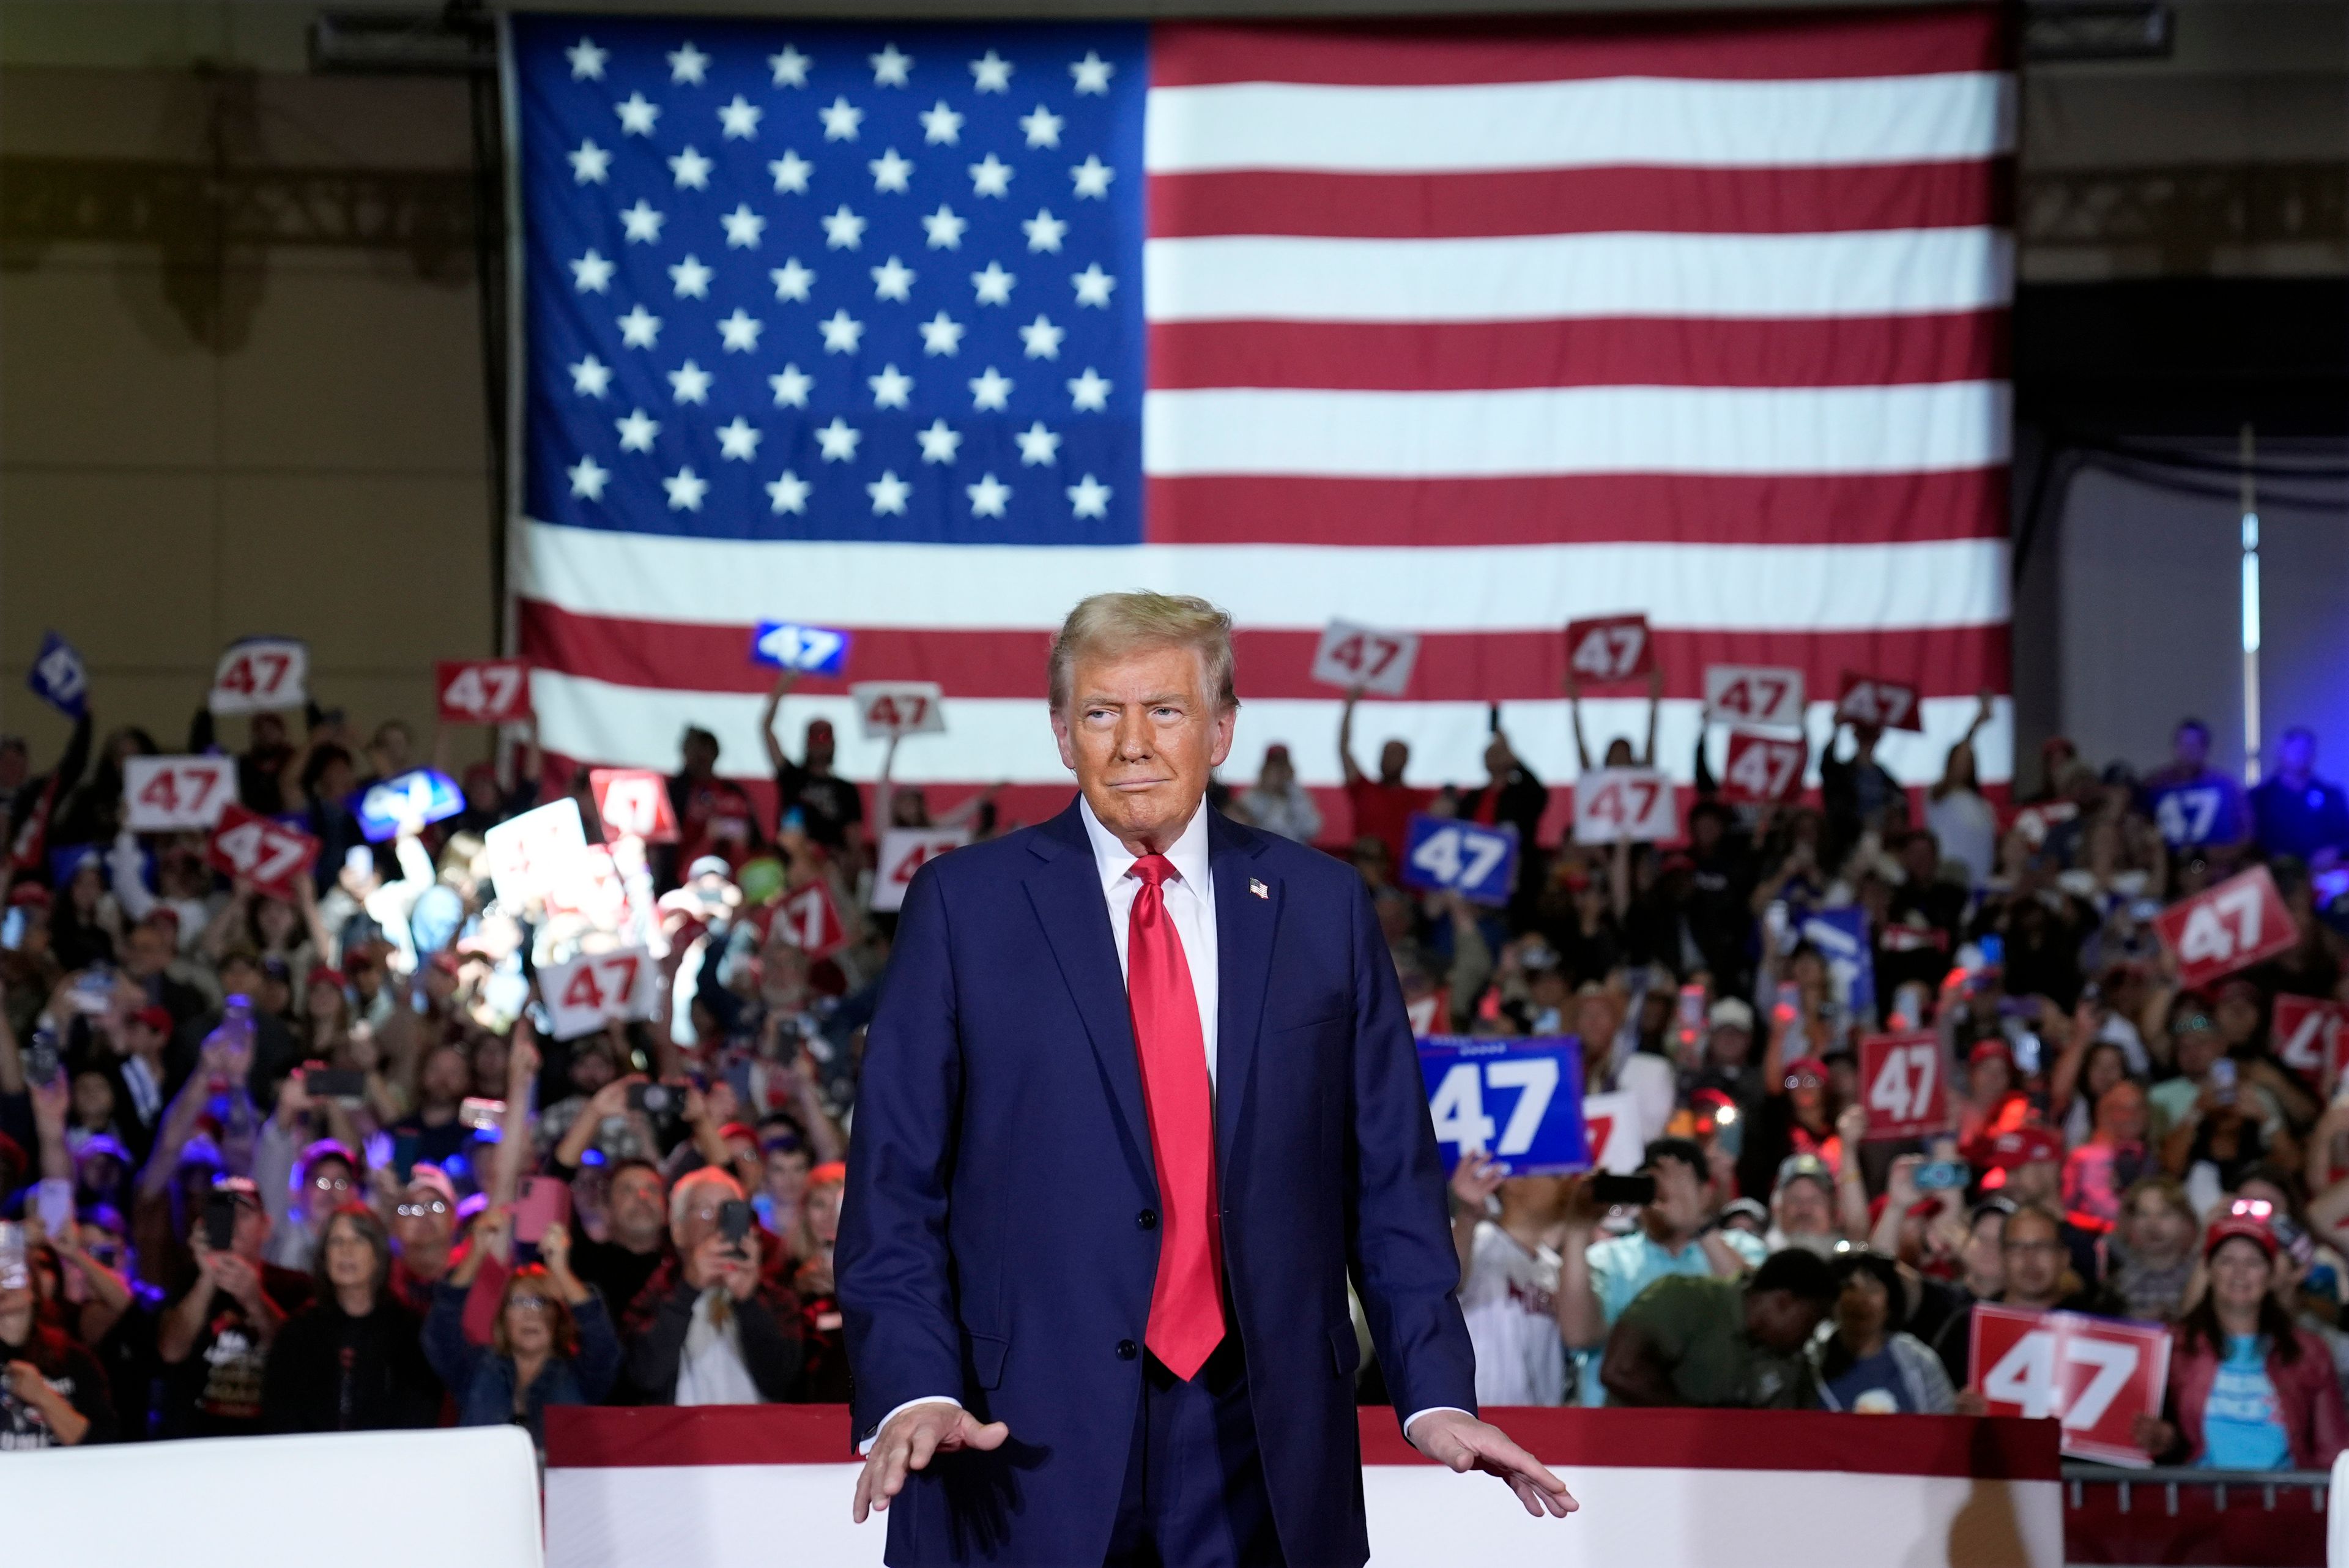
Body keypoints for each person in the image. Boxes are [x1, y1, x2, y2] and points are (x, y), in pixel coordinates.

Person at [839, 592, 1573, 1563]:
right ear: (1063, 733)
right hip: (1015, 1440)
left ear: (1222, 728)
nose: (1132, 742)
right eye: (1102, 712)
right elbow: (892, 1179)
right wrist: (915, 1383)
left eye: (1166, 710)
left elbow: (1390, 1173)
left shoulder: (1322, 906)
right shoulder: (962, 905)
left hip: (1264, 1444)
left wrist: (1432, 1389)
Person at [1557, 1137, 1765, 1405]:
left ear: (1705, 1194)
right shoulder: (1609, 1258)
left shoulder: (1741, 1247)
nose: (1662, 1199)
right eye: (1652, 1187)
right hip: (1615, 1428)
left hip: (1716, 1427)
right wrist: (1577, 1229)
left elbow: (1759, 1316)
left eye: (1678, 1188)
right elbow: (1579, 1335)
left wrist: (1697, 1225)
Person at [2137, 1206, 2348, 1470]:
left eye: (2253, 1263)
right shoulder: (2174, 1346)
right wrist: (2166, 1442)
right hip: (2199, 1501)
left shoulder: (2308, 1350)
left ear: (2270, 1276)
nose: (2240, 1273)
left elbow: (2332, 1448)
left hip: (2285, 1502)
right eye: (2227, 1261)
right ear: (2208, 1271)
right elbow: (2150, 1434)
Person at [426, 1211, 619, 1446]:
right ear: (503, 1318)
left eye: (541, 1302)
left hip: (558, 1482)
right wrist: (475, 1254)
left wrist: (560, 1271)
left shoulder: (580, 1375)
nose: (531, 1313)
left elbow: (604, 1345)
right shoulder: (477, 1367)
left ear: (558, 1316)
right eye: (518, 1302)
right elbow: (439, 1333)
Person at [622, 1167, 804, 1405]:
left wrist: (748, 1300)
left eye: (729, 1212)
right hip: (680, 1436)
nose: (719, 1224)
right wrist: (688, 1289)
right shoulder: (652, 1295)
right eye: (705, 1211)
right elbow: (646, 1376)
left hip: (757, 1436)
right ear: (678, 1230)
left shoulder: (777, 1297)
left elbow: (781, 1381)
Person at [155, 1176, 314, 1438]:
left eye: (244, 1213)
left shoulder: (296, 1287)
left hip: (267, 1440)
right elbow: (171, 1352)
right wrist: (207, 1277)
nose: (234, 1223)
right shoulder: (187, 1281)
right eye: (224, 1213)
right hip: (196, 1440)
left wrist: (256, 1301)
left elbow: (300, 1362)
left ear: (266, 1227)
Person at [259, 1203, 439, 1433]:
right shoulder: (299, 1331)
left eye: (359, 1241)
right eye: (337, 1242)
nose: (347, 1251)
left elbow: (421, 1409)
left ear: (378, 1255)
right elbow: (279, 1410)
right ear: (324, 1257)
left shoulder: (409, 1331)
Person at [1598, 1247, 1837, 1408]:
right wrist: (1709, 1425)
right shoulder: (1683, 1298)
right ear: (1783, 1302)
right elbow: (1620, 1371)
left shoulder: (1792, 1362)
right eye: (1811, 1321)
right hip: (1636, 1462)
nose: (1809, 1335)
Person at [1448, 1155, 1571, 1406]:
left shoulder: (1554, 1267)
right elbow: (1449, 1280)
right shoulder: (1476, 1239)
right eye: (1556, 1175)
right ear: (1513, 1183)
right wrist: (1469, 1215)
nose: (1567, 1183)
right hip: (1478, 1416)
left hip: (1540, 1422)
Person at [1809, 1250, 1956, 1414]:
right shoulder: (1810, 1364)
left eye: (1872, 1289)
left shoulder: (1920, 1362)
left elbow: (1945, 1424)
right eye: (1850, 1287)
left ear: (1890, 1303)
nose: (1861, 1300)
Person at [1, 1243, 116, 1448]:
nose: (2, 1283)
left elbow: (103, 1445)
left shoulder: (75, 1359)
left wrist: (43, 1397)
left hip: (60, 1478)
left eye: (11, 1273)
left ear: (33, 1288)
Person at [762, 670, 864, 854]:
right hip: (793, 858)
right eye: (814, 739)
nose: (819, 746)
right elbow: (766, 728)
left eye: (824, 739)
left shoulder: (846, 789)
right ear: (806, 743)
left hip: (831, 863)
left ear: (833, 744)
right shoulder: (792, 776)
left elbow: (854, 837)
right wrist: (785, 683)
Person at [1337, 685, 1433, 872]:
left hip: (1404, 881)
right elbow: (1344, 748)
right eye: (1385, 753)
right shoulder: (1363, 789)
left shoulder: (1421, 799)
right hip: (1364, 876)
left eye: (1395, 754)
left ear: (1406, 760)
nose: (1389, 759)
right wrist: (1349, 706)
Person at [1926, 694, 1999, 885]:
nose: (1963, 766)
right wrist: (1975, 728)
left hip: (1980, 881)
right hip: (1949, 882)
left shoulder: (1984, 806)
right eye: (1959, 760)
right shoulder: (1938, 795)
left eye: (1968, 761)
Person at [2250, 727, 2349, 868]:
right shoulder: (2259, 797)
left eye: (2307, 750)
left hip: (2327, 876)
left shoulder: (2331, 794)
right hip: (2275, 875)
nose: (2301, 755)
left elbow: (2346, 838)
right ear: (2281, 751)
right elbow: (2249, 841)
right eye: (2295, 749)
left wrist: (2335, 852)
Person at [1238, 743, 1321, 845]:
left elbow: (1311, 829)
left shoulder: (1299, 796)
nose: (1279, 772)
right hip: (1262, 855)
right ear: (1265, 770)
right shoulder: (1252, 797)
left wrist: (1291, 796)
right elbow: (1244, 831)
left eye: (1283, 766)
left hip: (1294, 854)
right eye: (1275, 767)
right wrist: (1269, 795)